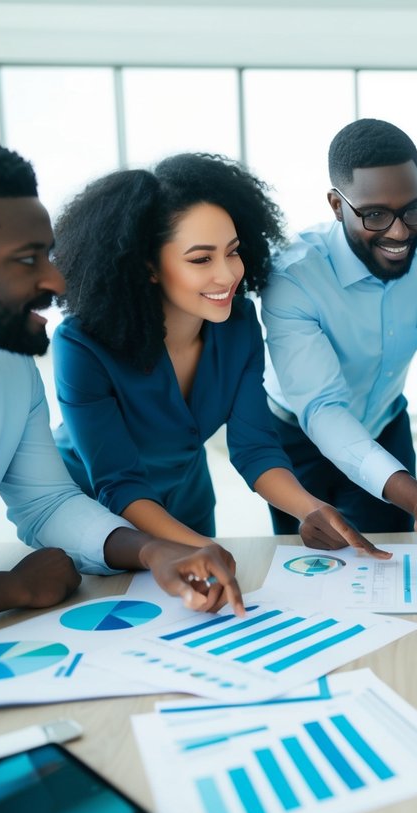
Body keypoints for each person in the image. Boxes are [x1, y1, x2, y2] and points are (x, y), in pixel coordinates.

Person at [0, 134, 245, 653]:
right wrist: (11, 587)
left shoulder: (11, 371)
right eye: (27, 259)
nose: (57, 281)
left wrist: (152, 552)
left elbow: (47, 502)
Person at [52, 153, 384, 558]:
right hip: (97, 518)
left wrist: (310, 509)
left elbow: (255, 447)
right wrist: (203, 549)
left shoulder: (238, 323)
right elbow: (117, 482)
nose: (228, 275)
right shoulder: (81, 346)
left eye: (232, 251)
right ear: (148, 266)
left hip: (188, 506)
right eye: (201, 259)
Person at [262, 119, 417, 536]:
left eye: (411, 208)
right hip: (298, 438)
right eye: (375, 215)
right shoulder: (293, 276)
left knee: (392, 560)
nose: (399, 231)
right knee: (316, 571)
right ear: (337, 206)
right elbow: (322, 408)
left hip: (386, 423)